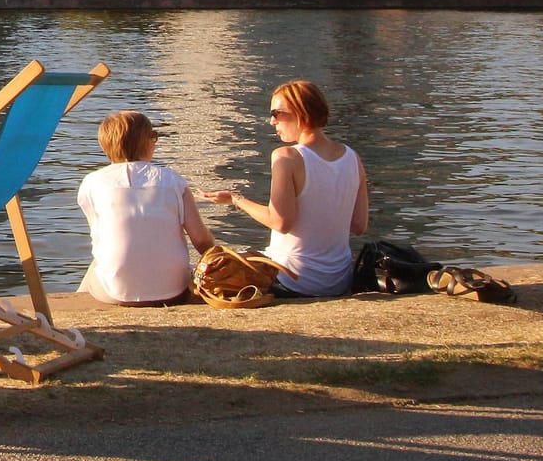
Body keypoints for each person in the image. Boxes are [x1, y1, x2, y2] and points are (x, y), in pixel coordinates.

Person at [202, 80, 369, 297]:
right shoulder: (352, 158)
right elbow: (359, 225)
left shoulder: (286, 157)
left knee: (213, 269)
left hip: (294, 281)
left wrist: (236, 199)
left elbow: (280, 222)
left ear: (300, 113)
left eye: (277, 113)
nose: (272, 121)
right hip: (339, 281)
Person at [77, 110, 213, 306]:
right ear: (147, 142)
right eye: (154, 137)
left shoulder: (92, 183)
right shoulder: (173, 181)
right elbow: (201, 241)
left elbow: (99, 237)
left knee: (97, 265)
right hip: (174, 290)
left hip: (117, 293)